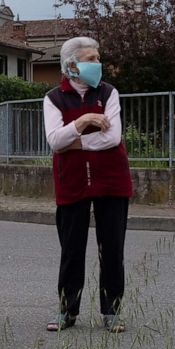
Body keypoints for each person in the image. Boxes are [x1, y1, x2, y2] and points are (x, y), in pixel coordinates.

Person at [43, 37, 133, 333]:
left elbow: (113, 138)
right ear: (71, 65)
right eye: (90, 59)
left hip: (111, 182)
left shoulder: (109, 93)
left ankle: (112, 312)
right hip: (72, 182)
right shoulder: (54, 98)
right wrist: (83, 123)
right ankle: (67, 311)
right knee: (71, 249)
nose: (98, 64)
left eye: (97, 57)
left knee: (112, 248)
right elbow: (54, 141)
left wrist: (74, 141)